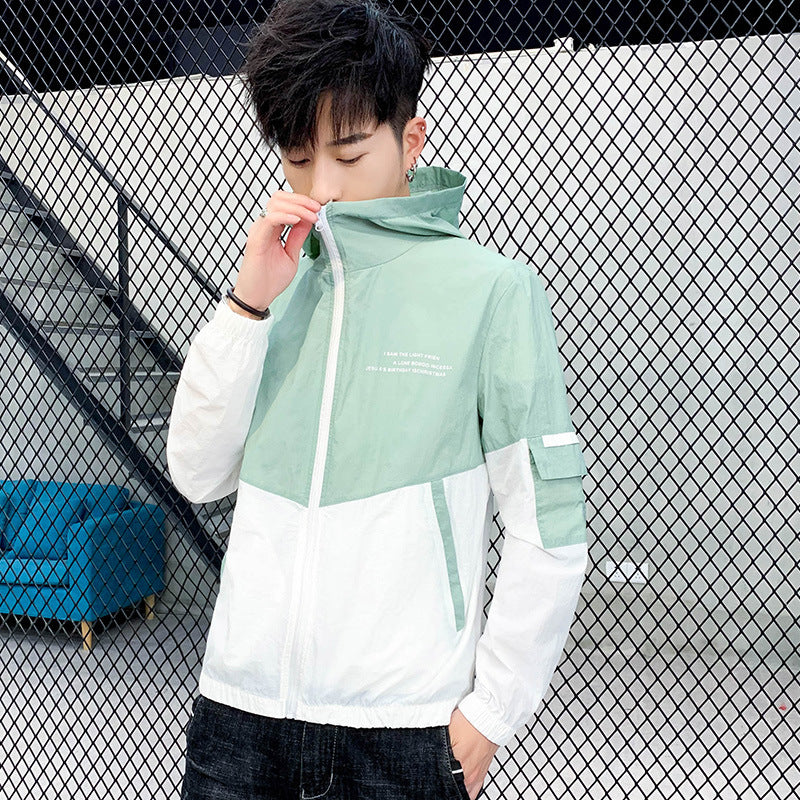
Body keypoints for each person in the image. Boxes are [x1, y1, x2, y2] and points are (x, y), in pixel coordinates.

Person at [167, 1, 589, 798]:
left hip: (399, 735)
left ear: (410, 141)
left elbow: (549, 526)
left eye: (350, 152)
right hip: (237, 720)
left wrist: (490, 714)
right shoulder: (278, 288)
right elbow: (196, 473)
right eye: (297, 158)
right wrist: (248, 304)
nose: (322, 187)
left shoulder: (491, 292)